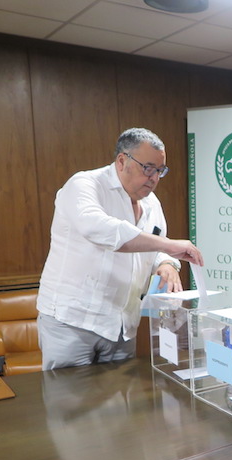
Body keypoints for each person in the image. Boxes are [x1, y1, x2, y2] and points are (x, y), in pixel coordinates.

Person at [37, 128, 203, 370]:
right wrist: (169, 245)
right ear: (122, 161)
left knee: (120, 404)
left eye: (160, 171)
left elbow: (154, 247)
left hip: (122, 325)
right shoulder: (85, 185)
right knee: (69, 401)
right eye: (148, 168)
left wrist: (167, 263)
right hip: (73, 321)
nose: (154, 178)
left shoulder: (151, 202)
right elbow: (101, 230)